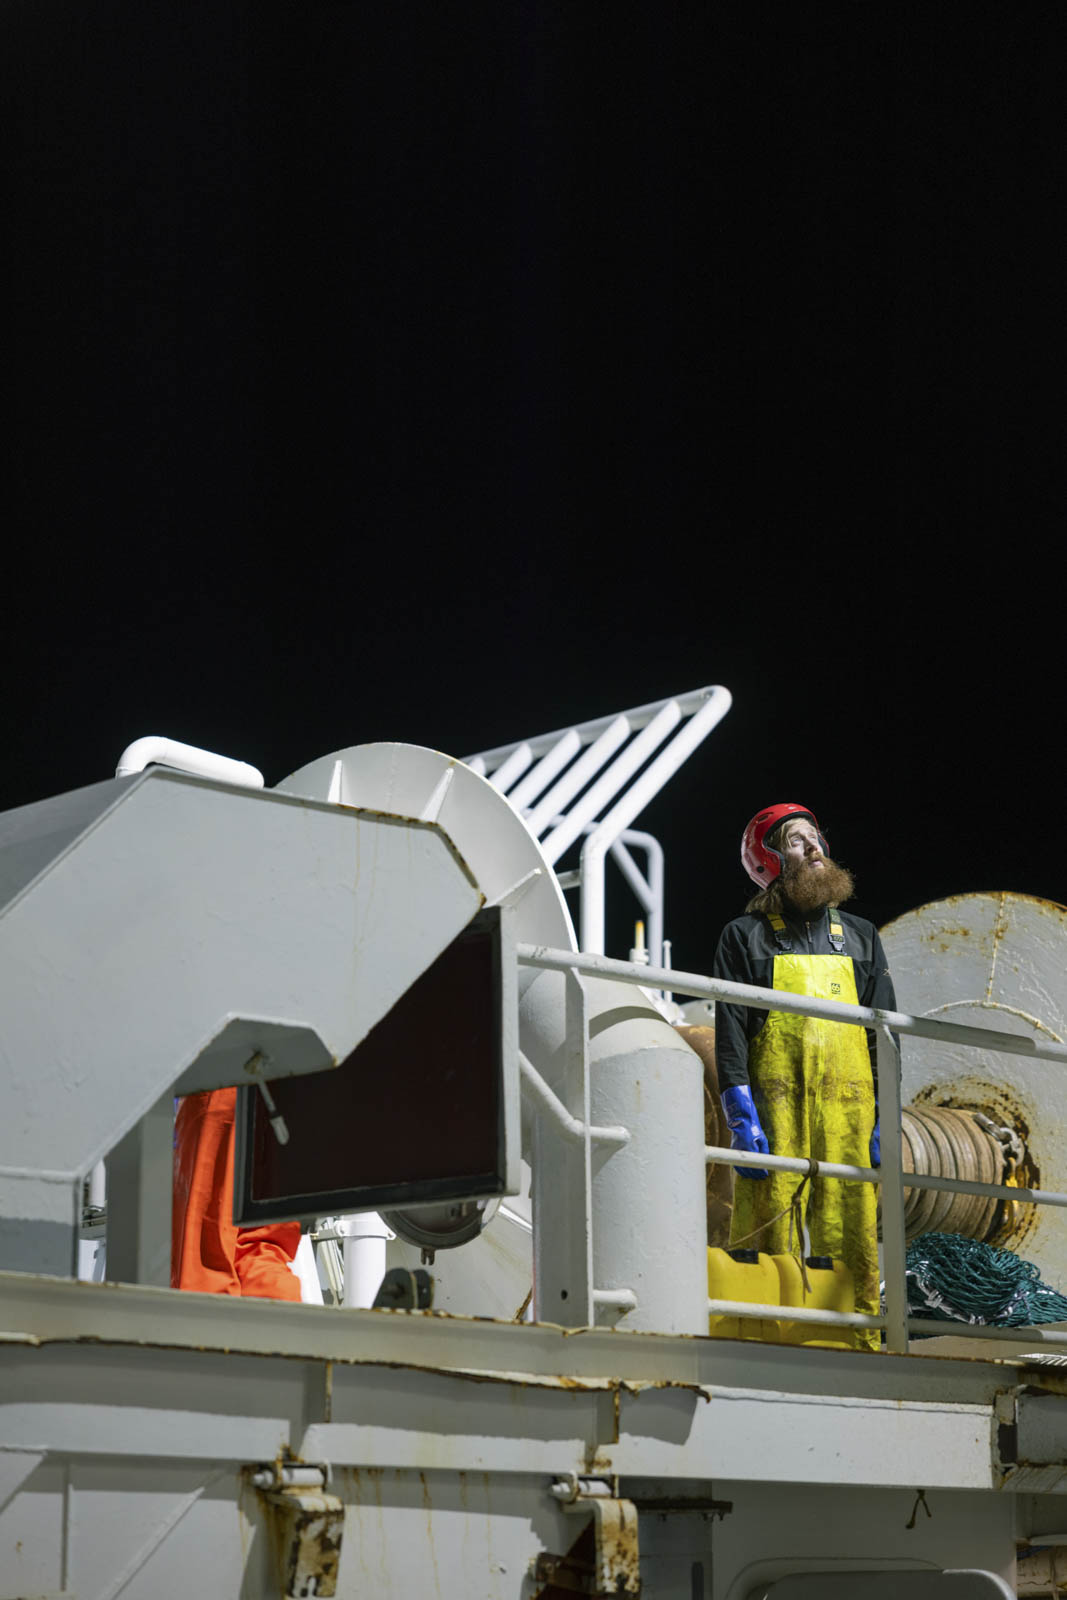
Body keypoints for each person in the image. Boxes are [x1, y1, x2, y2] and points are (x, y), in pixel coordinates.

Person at [712, 804, 896, 1348]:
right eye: (796, 841)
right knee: (770, 1214)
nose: (814, 847)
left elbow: (883, 1032)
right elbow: (731, 1032)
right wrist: (740, 1115)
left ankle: (859, 1339)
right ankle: (770, 1337)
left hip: (850, 1108)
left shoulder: (861, 936)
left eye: (816, 837)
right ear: (770, 862)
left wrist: (886, 1111)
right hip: (774, 1107)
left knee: (852, 1222)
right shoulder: (744, 937)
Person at [172, 1087, 303, 1300]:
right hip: (291, 1087)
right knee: (265, 1248)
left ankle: (202, 1322)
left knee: (205, 1249)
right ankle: (279, 1323)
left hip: (226, 1081)